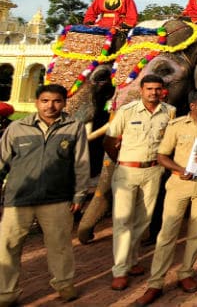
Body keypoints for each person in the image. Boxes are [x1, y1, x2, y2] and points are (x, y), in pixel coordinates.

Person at [133, 88, 197, 305]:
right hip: (179, 183)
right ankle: (155, 283)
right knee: (168, 233)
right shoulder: (176, 125)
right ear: (193, 106)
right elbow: (161, 155)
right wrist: (177, 169)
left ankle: (186, 273)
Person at [0, 84, 89, 305]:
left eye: (57, 101)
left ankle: (64, 285)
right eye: (45, 101)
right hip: (18, 198)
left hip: (57, 199)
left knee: (59, 246)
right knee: (8, 246)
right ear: (37, 102)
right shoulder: (18, 127)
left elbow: (81, 164)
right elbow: (1, 161)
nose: (51, 106)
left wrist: (79, 195)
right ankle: (6, 293)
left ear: (64, 103)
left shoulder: (74, 127)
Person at [103, 75, 176, 291]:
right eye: (149, 89)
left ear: (163, 91)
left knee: (143, 220)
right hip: (127, 171)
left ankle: (132, 260)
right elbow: (109, 140)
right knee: (123, 221)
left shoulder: (169, 112)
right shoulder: (127, 111)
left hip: (154, 171)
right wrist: (121, 162)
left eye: (158, 89)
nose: (153, 93)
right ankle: (120, 269)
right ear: (142, 90)